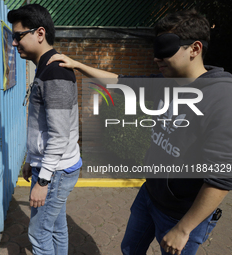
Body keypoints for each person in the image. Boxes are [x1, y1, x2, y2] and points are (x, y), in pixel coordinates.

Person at [47, 9, 232, 255]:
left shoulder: (221, 99)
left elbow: (220, 179)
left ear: (195, 48)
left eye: (166, 48)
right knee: (130, 249)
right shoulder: (168, 83)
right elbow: (120, 81)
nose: (157, 57)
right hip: (149, 196)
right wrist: (78, 64)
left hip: (181, 215)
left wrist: (184, 229)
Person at [7, 4, 82, 255]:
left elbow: (59, 135)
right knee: (56, 227)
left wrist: (44, 179)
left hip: (57, 170)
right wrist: (32, 159)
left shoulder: (55, 73)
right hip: (53, 166)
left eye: (18, 36)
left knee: (38, 233)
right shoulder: (45, 66)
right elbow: (43, 126)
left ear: (39, 33)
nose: (14, 43)